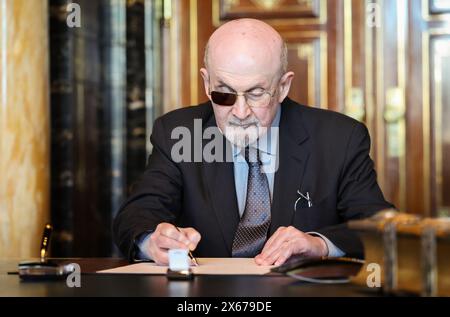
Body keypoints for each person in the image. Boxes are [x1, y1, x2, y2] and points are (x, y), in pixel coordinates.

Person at [113, 18, 393, 266]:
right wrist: (151, 241)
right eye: (224, 93)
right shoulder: (178, 132)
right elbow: (137, 214)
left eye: (257, 93)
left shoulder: (340, 138)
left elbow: (382, 227)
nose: (240, 112)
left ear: (283, 86)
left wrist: (319, 244)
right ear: (206, 82)